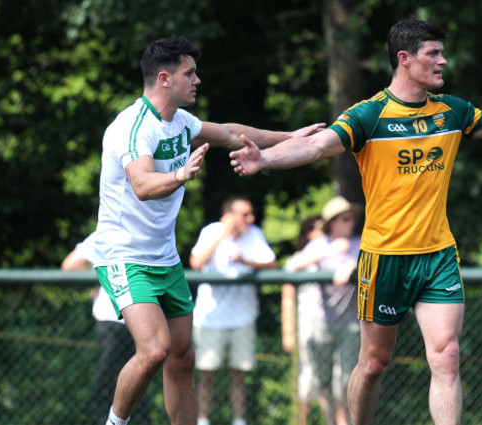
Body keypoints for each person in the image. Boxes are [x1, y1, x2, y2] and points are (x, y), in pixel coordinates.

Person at [228, 17, 482, 425]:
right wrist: (266, 159)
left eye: (442, 53)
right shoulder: (368, 116)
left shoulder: (452, 111)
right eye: (433, 54)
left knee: (447, 357)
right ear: (405, 59)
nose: (443, 61)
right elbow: (316, 145)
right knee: (373, 363)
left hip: (438, 256)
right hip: (384, 257)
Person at [92, 36, 323, 425]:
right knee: (154, 350)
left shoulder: (182, 123)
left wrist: (292, 137)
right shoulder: (131, 128)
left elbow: (232, 134)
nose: (197, 80)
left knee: (183, 358)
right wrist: (182, 174)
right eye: (189, 73)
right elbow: (144, 186)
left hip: (164, 259)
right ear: (164, 78)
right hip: (124, 257)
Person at [190, 196, 278, 425]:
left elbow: (272, 264)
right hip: (211, 317)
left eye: (251, 214)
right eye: (245, 214)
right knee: (207, 373)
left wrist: (245, 260)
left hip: (243, 316)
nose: (251, 218)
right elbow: (196, 262)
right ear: (229, 215)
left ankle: (239, 420)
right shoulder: (212, 232)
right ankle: (202, 419)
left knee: (239, 373)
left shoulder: (254, 234)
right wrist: (223, 235)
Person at [285, 196, 362, 425]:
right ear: (332, 223)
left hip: (351, 323)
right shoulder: (320, 244)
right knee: (323, 380)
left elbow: (375, 262)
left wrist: (353, 265)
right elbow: (290, 267)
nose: (351, 223)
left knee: (347, 381)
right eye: (345, 219)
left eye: (351, 219)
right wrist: (330, 252)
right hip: (322, 321)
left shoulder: (360, 243)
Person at [62, 233, 152, 425]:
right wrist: (101, 279)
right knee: (109, 379)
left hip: (141, 322)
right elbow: (70, 264)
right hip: (116, 320)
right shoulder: (106, 233)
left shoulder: (146, 230)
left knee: (137, 380)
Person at [281, 215, 326, 425]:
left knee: (335, 381)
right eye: (319, 229)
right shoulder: (299, 259)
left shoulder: (334, 254)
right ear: (309, 233)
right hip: (307, 327)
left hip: (333, 326)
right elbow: (287, 297)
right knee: (307, 378)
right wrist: (288, 332)